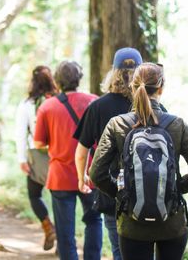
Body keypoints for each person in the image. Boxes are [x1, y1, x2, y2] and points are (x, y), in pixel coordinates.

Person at [89, 63, 188, 260]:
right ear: (161, 88)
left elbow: (97, 173)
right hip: (172, 223)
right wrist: (173, 190)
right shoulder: (177, 125)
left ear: (132, 87)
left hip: (132, 225)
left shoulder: (117, 124)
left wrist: (125, 194)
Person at [73, 47, 143, 260]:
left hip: (111, 188)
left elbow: (81, 151)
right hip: (146, 187)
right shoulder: (151, 106)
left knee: (118, 247)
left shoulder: (98, 107)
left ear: (113, 72)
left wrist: (81, 177)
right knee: (144, 248)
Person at [34, 61, 102, 260]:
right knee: (94, 221)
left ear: (57, 80)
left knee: (65, 231)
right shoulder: (94, 102)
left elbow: (38, 143)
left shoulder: (47, 107)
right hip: (91, 173)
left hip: (60, 176)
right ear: (79, 79)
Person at [15, 65, 58, 251]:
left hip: (36, 157)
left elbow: (20, 134)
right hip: (59, 156)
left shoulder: (27, 105)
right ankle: (63, 239)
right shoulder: (59, 100)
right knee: (60, 199)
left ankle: (48, 227)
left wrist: (22, 159)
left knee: (34, 195)